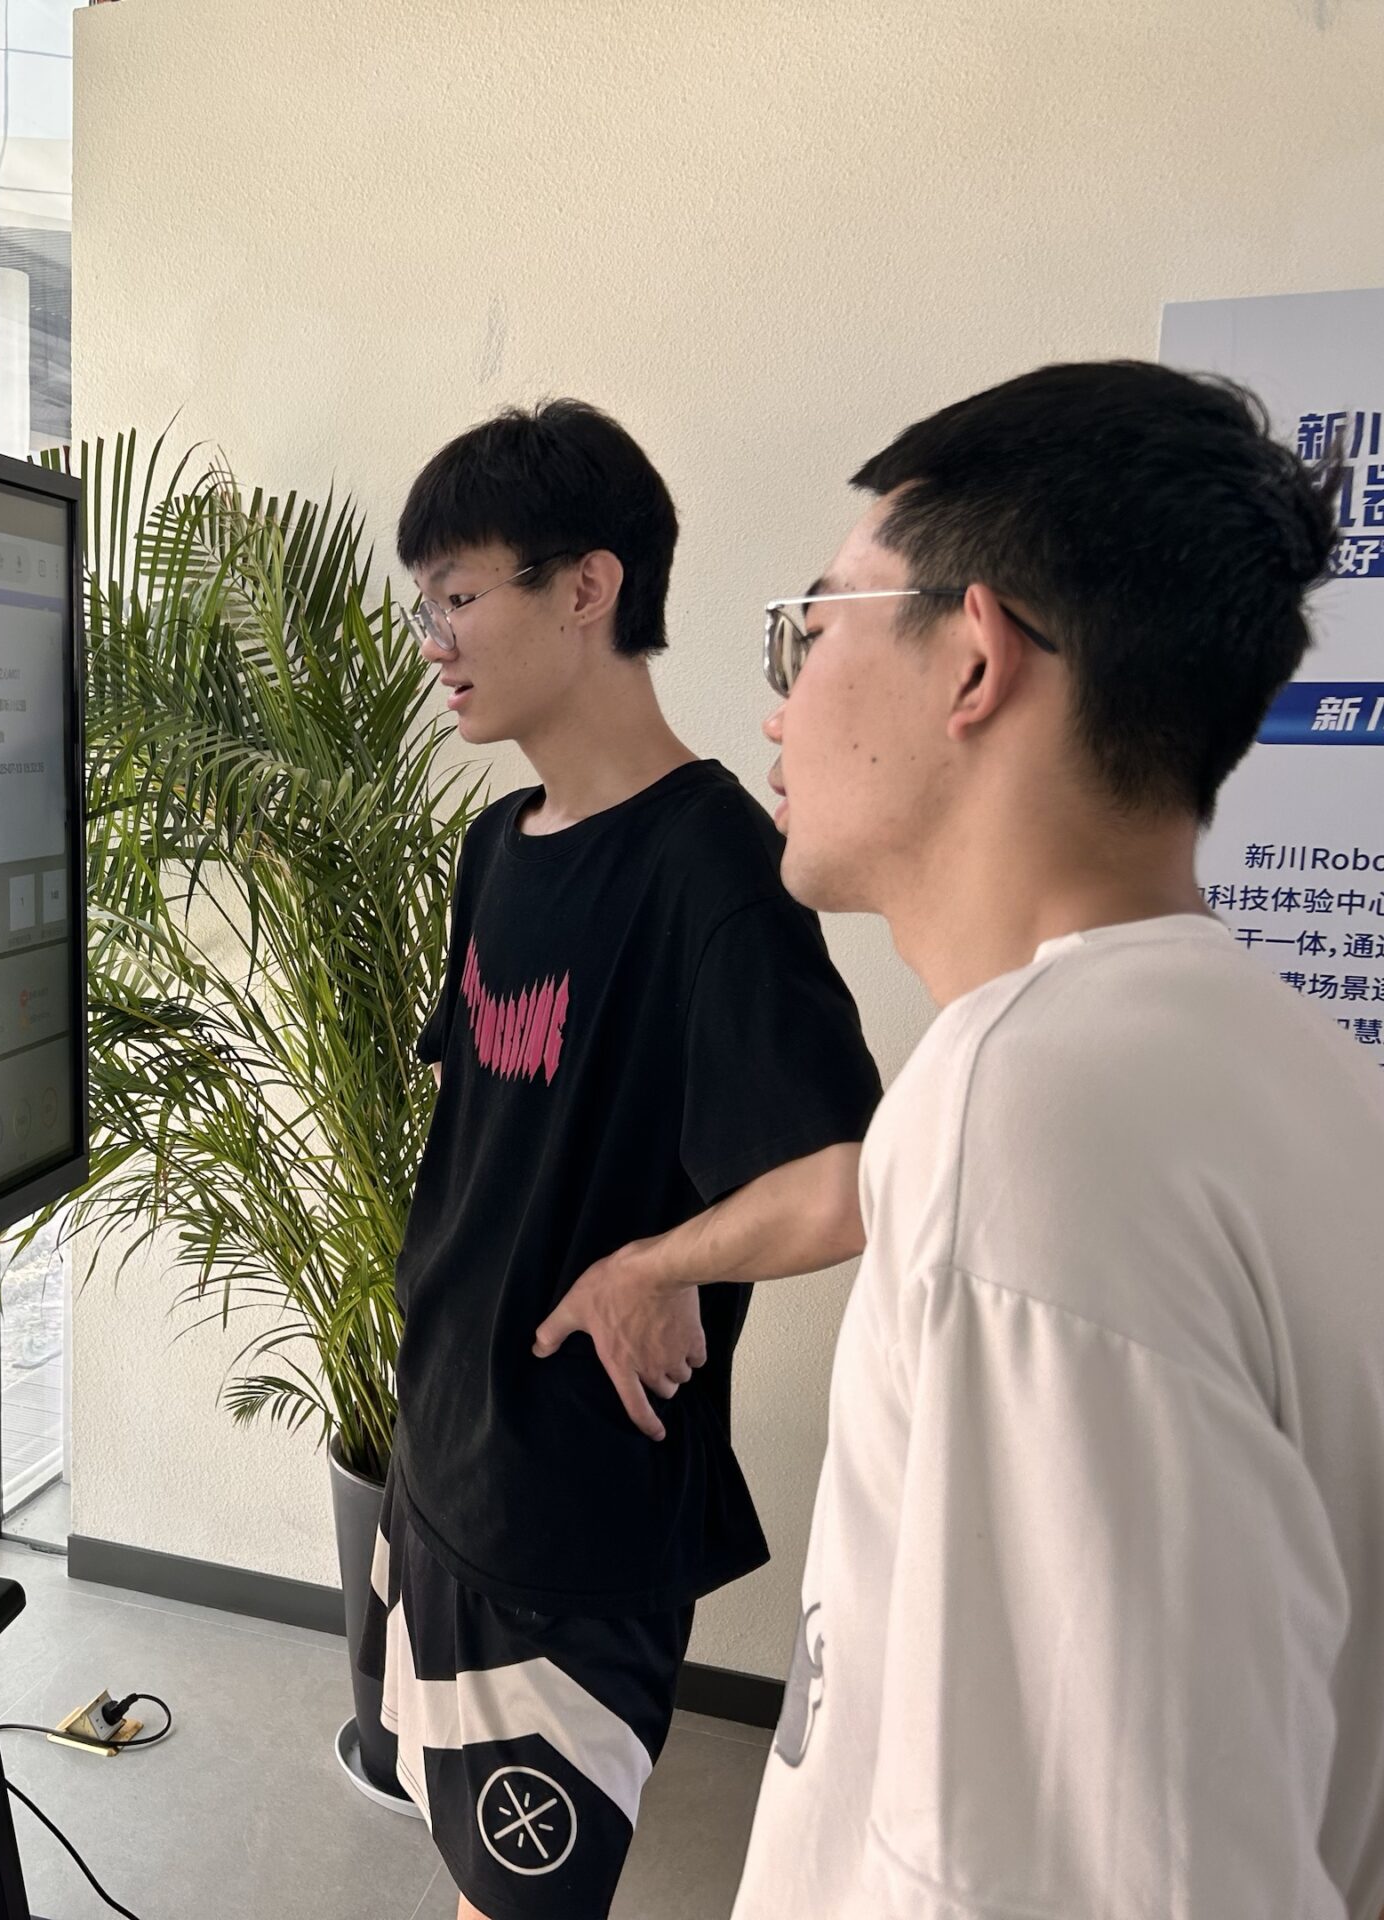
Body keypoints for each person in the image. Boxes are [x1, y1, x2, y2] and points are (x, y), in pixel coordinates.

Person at [732, 361, 1384, 1920]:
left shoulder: (1024, 1117)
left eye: (808, 627)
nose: (779, 694)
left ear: (973, 656)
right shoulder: (1292, 1069)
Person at [356, 401, 881, 1920]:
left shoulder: (716, 871)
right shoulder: (498, 845)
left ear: (586, 588)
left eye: (460, 595)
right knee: (466, 1870)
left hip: (572, 1518)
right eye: (425, 603)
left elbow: (839, 1179)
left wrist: (661, 1263)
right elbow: (491, 1147)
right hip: (446, 1459)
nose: (435, 638)